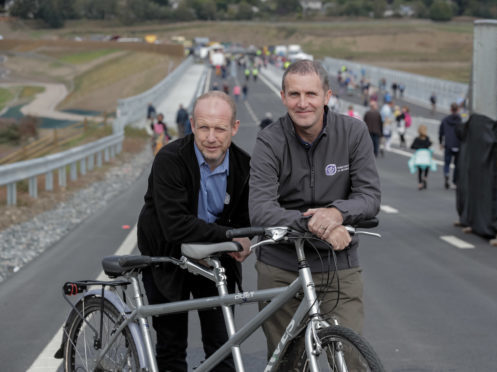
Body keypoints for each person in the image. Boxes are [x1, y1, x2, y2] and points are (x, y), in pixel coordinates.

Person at [249, 60, 381, 363]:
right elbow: (260, 210)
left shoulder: (354, 133)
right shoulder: (269, 141)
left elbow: (369, 196)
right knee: (289, 363)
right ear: (283, 98)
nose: (303, 103)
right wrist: (316, 224)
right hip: (281, 267)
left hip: (338, 265)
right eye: (294, 95)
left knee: (352, 360)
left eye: (311, 94)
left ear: (327, 96)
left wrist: (336, 214)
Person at [138, 91, 251, 372]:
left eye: (219, 129)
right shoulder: (170, 159)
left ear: (234, 128)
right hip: (167, 254)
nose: (211, 137)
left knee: (222, 347)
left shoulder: (244, 166)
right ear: (192, 125)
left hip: (214, 258)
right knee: (172, 346)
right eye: (203, 127)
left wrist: (244, 236)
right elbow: (175, 225)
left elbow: (244, 221)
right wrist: (229, 236)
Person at [439, 102, 462, 189]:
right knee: (457, 164)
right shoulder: (460, 121)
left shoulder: (445, 120)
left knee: (447, 163)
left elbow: (441, 132)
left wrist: (441, 142)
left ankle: (446, 174)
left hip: (448, 144)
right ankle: (455, 181)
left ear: (450, 109)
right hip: (458, 144)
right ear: (458, 110)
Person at [409, 124, 435, 190]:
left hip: (419, 155)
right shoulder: (427, 138)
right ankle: (425, 177)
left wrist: (418, 147)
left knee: (420, 171)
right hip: (426, 154)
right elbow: (429, 145)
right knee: (427, 167)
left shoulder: (417, 139)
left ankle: (420, 184)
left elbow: (412, 146)